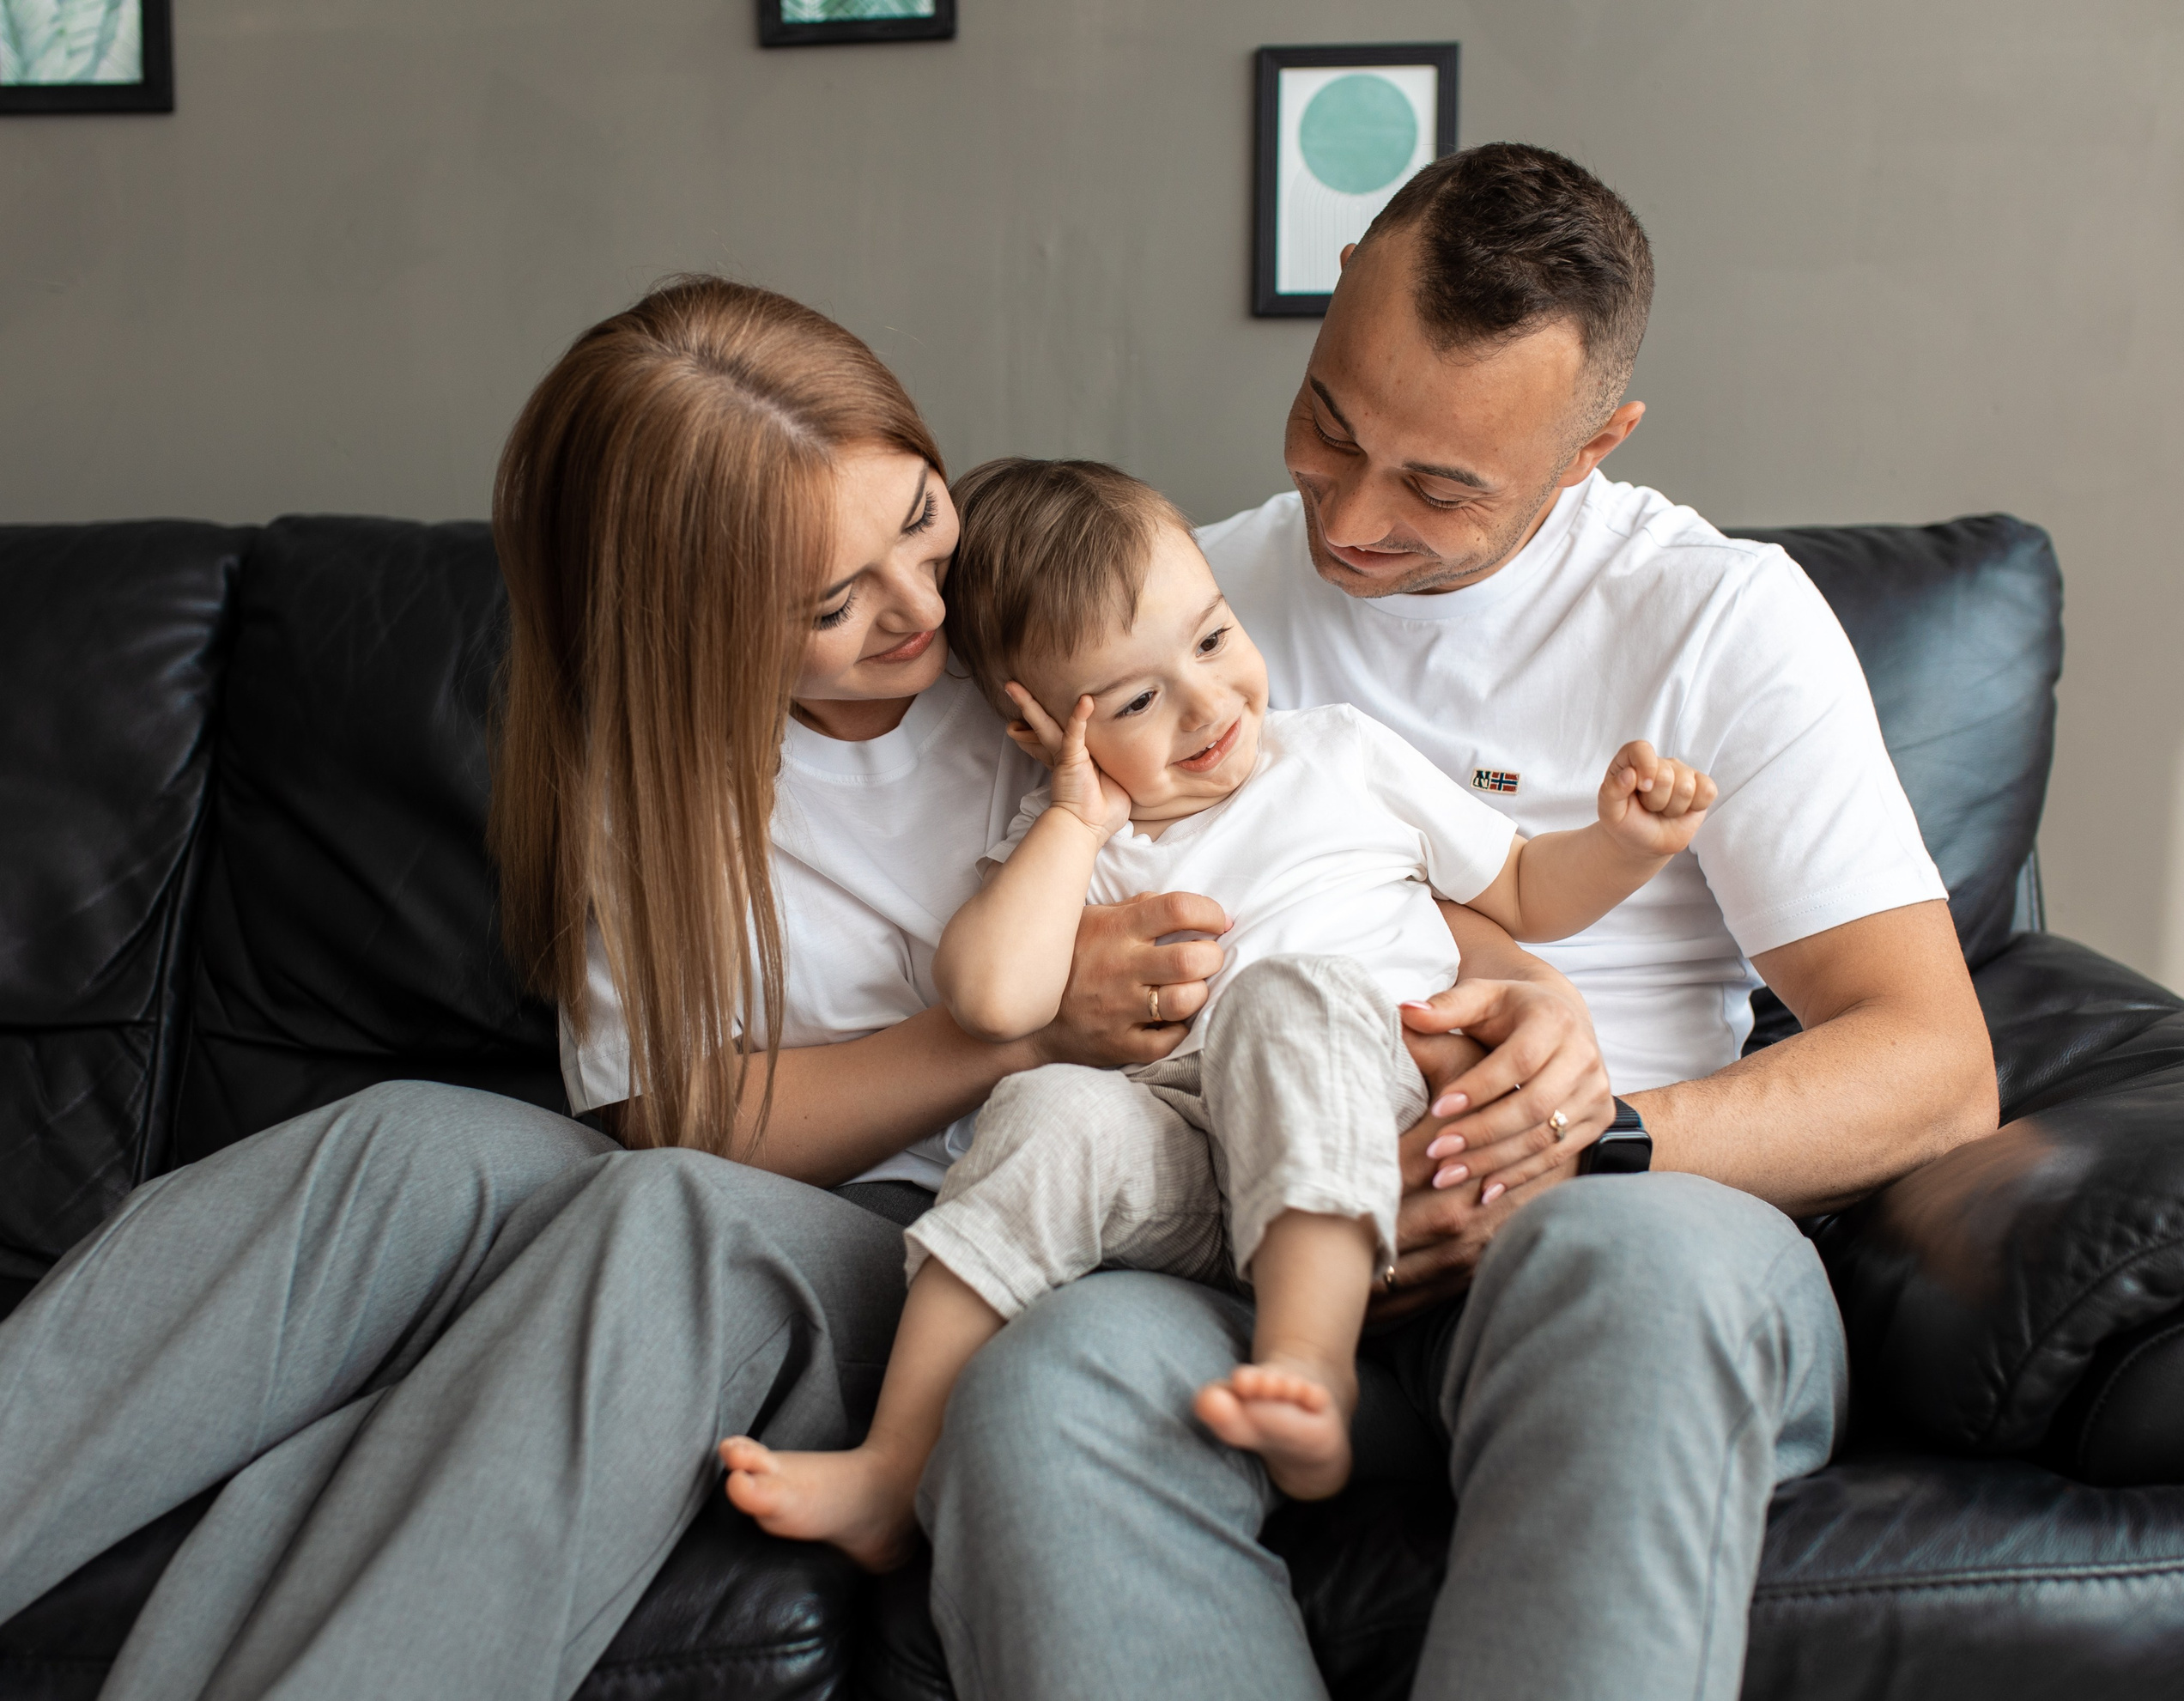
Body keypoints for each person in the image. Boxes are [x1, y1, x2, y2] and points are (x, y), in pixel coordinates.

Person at [0, 279, 1276, 1698]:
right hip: (773, 1166)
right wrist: (1021, 1024)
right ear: (698, 623)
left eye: (918, 514)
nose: (923, 608)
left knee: (668, 1221)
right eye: (834, 604)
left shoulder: (1051, 624)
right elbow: (691, 1115)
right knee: (395, 1145)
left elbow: (1354, 806)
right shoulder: (661, 769)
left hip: (968, 1238)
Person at [910, 145, 2001, 1700]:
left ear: (1589, 448)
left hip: (1612, 1225)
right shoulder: (1176, 599)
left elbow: (1936, 1066)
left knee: (1629, 1285)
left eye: (1439, 487)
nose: (1351, 519)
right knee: (1043, 1393)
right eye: (1330, 426)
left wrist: (1587, 1138)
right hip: (1251, 1235)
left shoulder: (1719, 619)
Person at [716, 455, 1715, 1563]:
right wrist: (1077, 817)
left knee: (1284, 999)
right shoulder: (1081, 852)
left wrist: (1622, 845)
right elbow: (996, 1001)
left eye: (1213, 639)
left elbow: (1528, 892)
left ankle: (1309, 1363)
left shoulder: (1338, 755)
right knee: (1047, 1109)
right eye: (1137, 700)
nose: (1206, 706)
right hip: (1196, 1160)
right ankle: (894, 1470)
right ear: (1041, 730)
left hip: (1374, 1098)